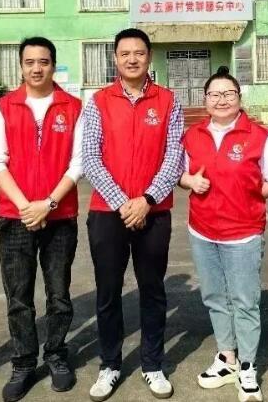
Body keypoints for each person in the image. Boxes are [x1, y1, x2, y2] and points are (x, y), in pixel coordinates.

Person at [82, 28, 184, 401]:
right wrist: (124, 202)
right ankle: (109, 365)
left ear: (149, 57)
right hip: (108, 213)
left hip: (154, 212)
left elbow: (174, 155)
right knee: (108, 292)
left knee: (152, 290)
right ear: (115, 58)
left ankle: (153, 364)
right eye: (124, 53)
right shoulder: (98, 101)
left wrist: (147, 199)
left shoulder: (168, 101)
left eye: (138, 53)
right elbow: (90, 156)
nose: (132, 59)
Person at [180, 66, 268, 402]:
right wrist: (190, 181)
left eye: (229, 94)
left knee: (244, 301)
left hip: (242, 232)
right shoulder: (193, 135)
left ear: (240, 98)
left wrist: (249, 196)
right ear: (205, 100)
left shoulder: (258, 136)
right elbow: (178, 172)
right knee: (214, 297)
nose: (222, 100)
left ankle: (248, 366)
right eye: (215, 94)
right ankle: (227, 358)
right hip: (203, 230)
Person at [0, 36, 83, 401]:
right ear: (21, 66)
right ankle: (24, 362)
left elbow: (78, 162)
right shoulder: (5, 107)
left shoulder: (73, 107)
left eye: (43, 61)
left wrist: (48, 204)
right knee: (19, 297)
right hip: (16, 217)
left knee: (58, 294)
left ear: (53, 65)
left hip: (60, 216)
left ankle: (56, 354)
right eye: (30, 62)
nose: (37, 68)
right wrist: (27, 205)